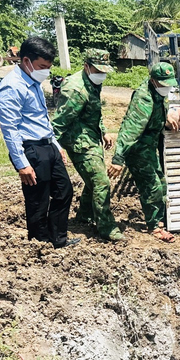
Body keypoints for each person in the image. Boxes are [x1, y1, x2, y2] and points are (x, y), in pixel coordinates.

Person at [0, 36, 78, 248]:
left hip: (47, 145)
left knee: (64, 191)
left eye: (49, 67)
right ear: (26, 61)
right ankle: (40, 245)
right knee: (38, 200)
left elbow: (41, 118)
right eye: (42, 66)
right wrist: (22, 163)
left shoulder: (34, 82)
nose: (46, 71)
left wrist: (56, 145)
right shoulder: (11, 87)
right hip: (31, 149)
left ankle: (58, 239)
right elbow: (10, 128)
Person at [52, 49, 124, 242]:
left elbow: (94, 111)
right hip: (78, 142)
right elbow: (59, 123)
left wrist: (103, 130)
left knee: (94, 180)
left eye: (104, 71)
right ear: (86, 66)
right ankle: (107, 228)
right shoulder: (75, 90)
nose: (102, 75)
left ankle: (84, 215)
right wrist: (53, 148)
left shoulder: (92, 81)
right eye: (98, 70)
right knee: (101, 182)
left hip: (91, 138)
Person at [107, 62, 178, 243]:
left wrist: (165, 118)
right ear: (153, 80)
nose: (167, 87)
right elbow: (130, 130)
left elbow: (160, 108)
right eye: (164, 83)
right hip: (137, 149)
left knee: (161, 183)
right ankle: (154, 226)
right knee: (152, 186)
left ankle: (160, 219)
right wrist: (118, 159)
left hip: (148, 147)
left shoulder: (159, 92)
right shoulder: (144, 98)